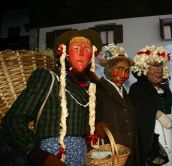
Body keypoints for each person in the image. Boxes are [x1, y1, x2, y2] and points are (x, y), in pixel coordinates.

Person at [1, 29, 102, 165]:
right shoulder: (49, 78)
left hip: (81, 157)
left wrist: (95, 130)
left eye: (88, 50)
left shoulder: (88, 87)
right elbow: (13, 120)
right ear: (64, 51)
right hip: (52, 156)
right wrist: (39, 156)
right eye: (76, 48)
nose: (82, 53)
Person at [129, 45, 172, 166]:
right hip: (154, 137)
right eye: (154, 66)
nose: (158, 70)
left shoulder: (165, 88)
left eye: (160, 66)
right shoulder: (137, 88)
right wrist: (156, 113)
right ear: (144, 68)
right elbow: (136, 112)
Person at [94, 43, 139, 166]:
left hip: (128, 156)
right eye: (119, 69)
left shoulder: (125, 93)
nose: (124, 75)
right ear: (108, 69)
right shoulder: (98, 91)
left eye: (126, 70)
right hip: (111, 157)